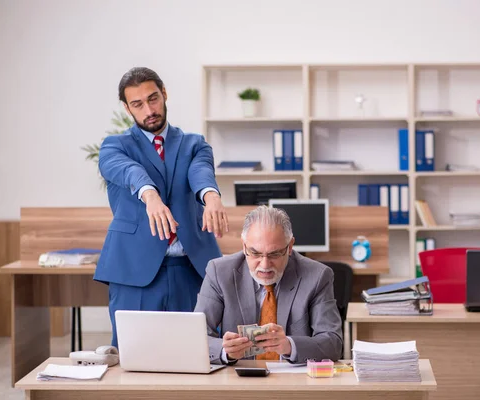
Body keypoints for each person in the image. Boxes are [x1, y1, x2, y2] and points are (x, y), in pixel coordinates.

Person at [94, 67, 228, 347]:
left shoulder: (194, 144)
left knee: (200, 353)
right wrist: (150, 195)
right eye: (137, 104)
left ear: (164, 94)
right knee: (135, 357)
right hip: (134, 271)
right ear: (127, 108)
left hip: (192, 268)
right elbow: (128, 170)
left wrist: (211, 196)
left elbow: (200, 171)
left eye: (153, 98)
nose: (148, 109)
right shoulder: (113, 147)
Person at [194, 205, 343, 364]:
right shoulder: (219, 272)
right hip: (237, 380)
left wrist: (290, 346)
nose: (264, 265)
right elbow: (195, 337)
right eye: (256, 253)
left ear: (290, 247)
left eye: (274, 254)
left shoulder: (317, 276)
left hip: (293, 382)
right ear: (244, 246)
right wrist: (225, 351)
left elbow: (333, 343)